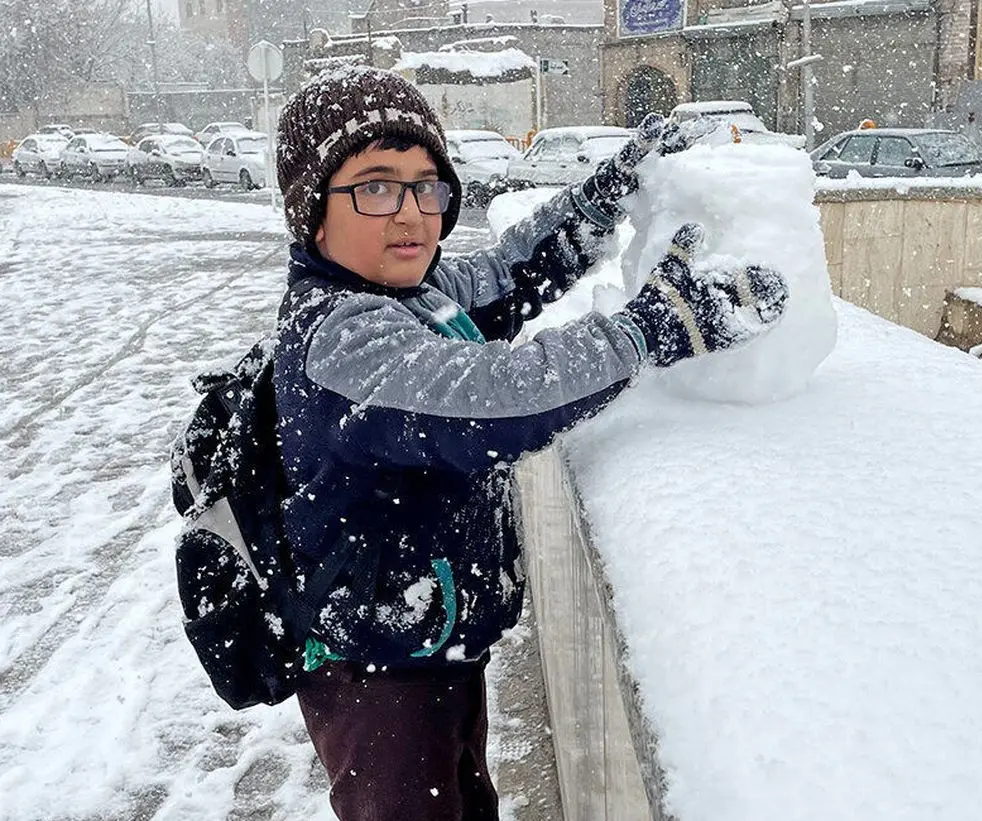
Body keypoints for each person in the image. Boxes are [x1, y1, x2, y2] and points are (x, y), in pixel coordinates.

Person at [272, 64, 789, 821]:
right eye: (376, 186)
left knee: (463, 794)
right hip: (377, 679)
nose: (411, 212)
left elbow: (510, 273)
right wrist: (646, 331)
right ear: (311, 210)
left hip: (433, 645)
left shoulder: (412, 292)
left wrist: (599, 199)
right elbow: (498, 400)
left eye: (427, 185)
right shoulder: (343, 338)